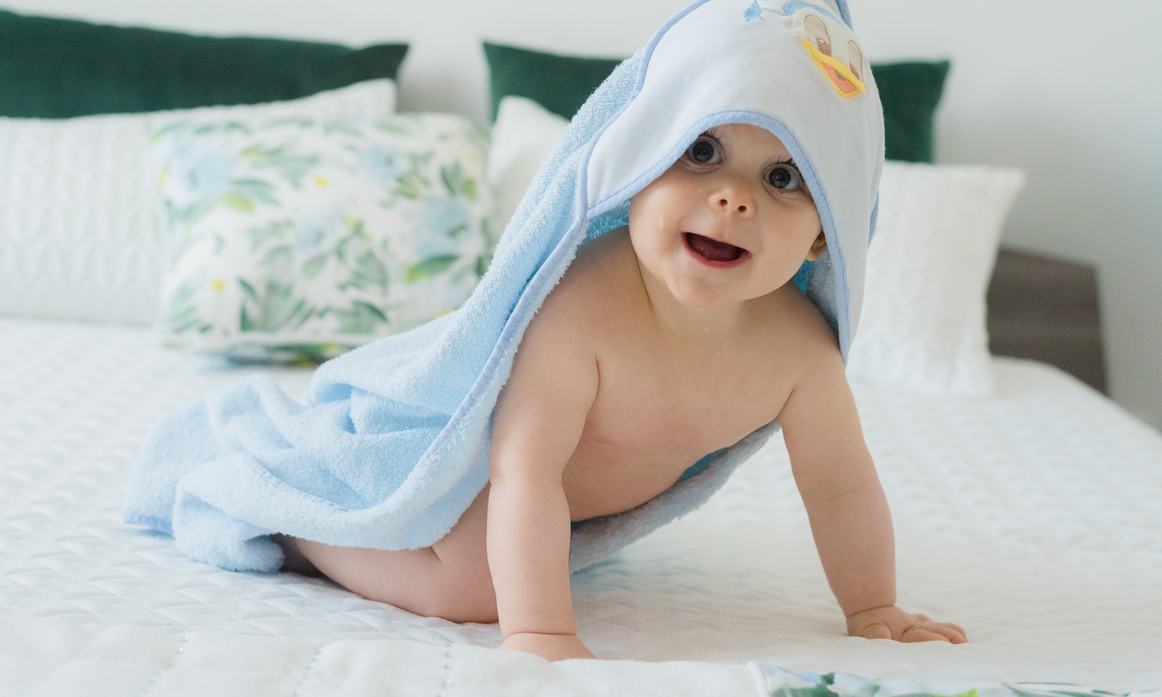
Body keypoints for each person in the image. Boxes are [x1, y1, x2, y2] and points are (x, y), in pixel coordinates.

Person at [277, 121, 968, 661]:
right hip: (474, 470)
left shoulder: (798, 353)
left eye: (783, 176)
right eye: (701, 150)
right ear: (638, 167)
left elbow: (841, 486)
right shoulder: (579, 306)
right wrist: (541, 628)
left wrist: (874, 606)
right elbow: (526, 468)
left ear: (824, 235)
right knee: (473, 586)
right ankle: (301, 529)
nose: (733, 195)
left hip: (566, 508)